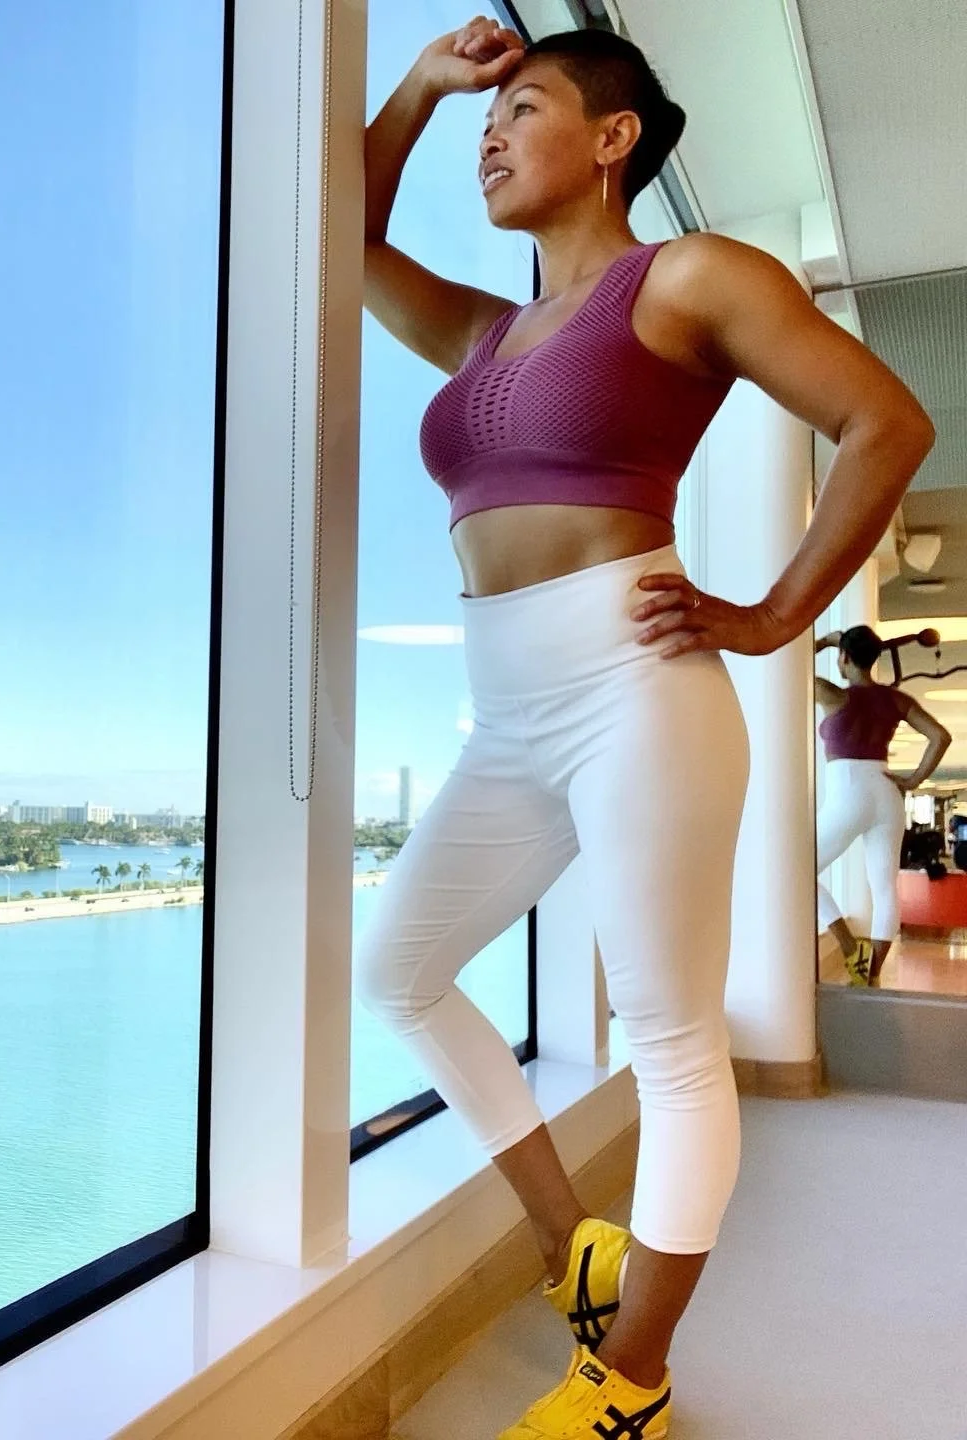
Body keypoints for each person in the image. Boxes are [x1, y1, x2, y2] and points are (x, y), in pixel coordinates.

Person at [358, 18, 934, 1438]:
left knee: (673, 1035)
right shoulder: (484, 330)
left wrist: (774, 614)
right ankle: (575, 1248)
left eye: (523, 108)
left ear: (614, 139)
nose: (492, 137)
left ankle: (630, 1382)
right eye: (487, 119)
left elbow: (886, 423)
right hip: (508, 713)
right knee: (401, 970)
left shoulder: (688, 276)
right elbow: (343, 239)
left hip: (635, 687)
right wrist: (426, 85)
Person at [814, 625, 949, 986]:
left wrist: (825, 642)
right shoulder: (896, 700)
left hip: (849, 793)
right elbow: (940, 736)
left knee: (798, 868)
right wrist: (914, 780)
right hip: (887, 792)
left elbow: (786, 668)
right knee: (885, 888)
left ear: (843, 657)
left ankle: (847, 946)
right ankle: (869, 975)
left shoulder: (832, 695)